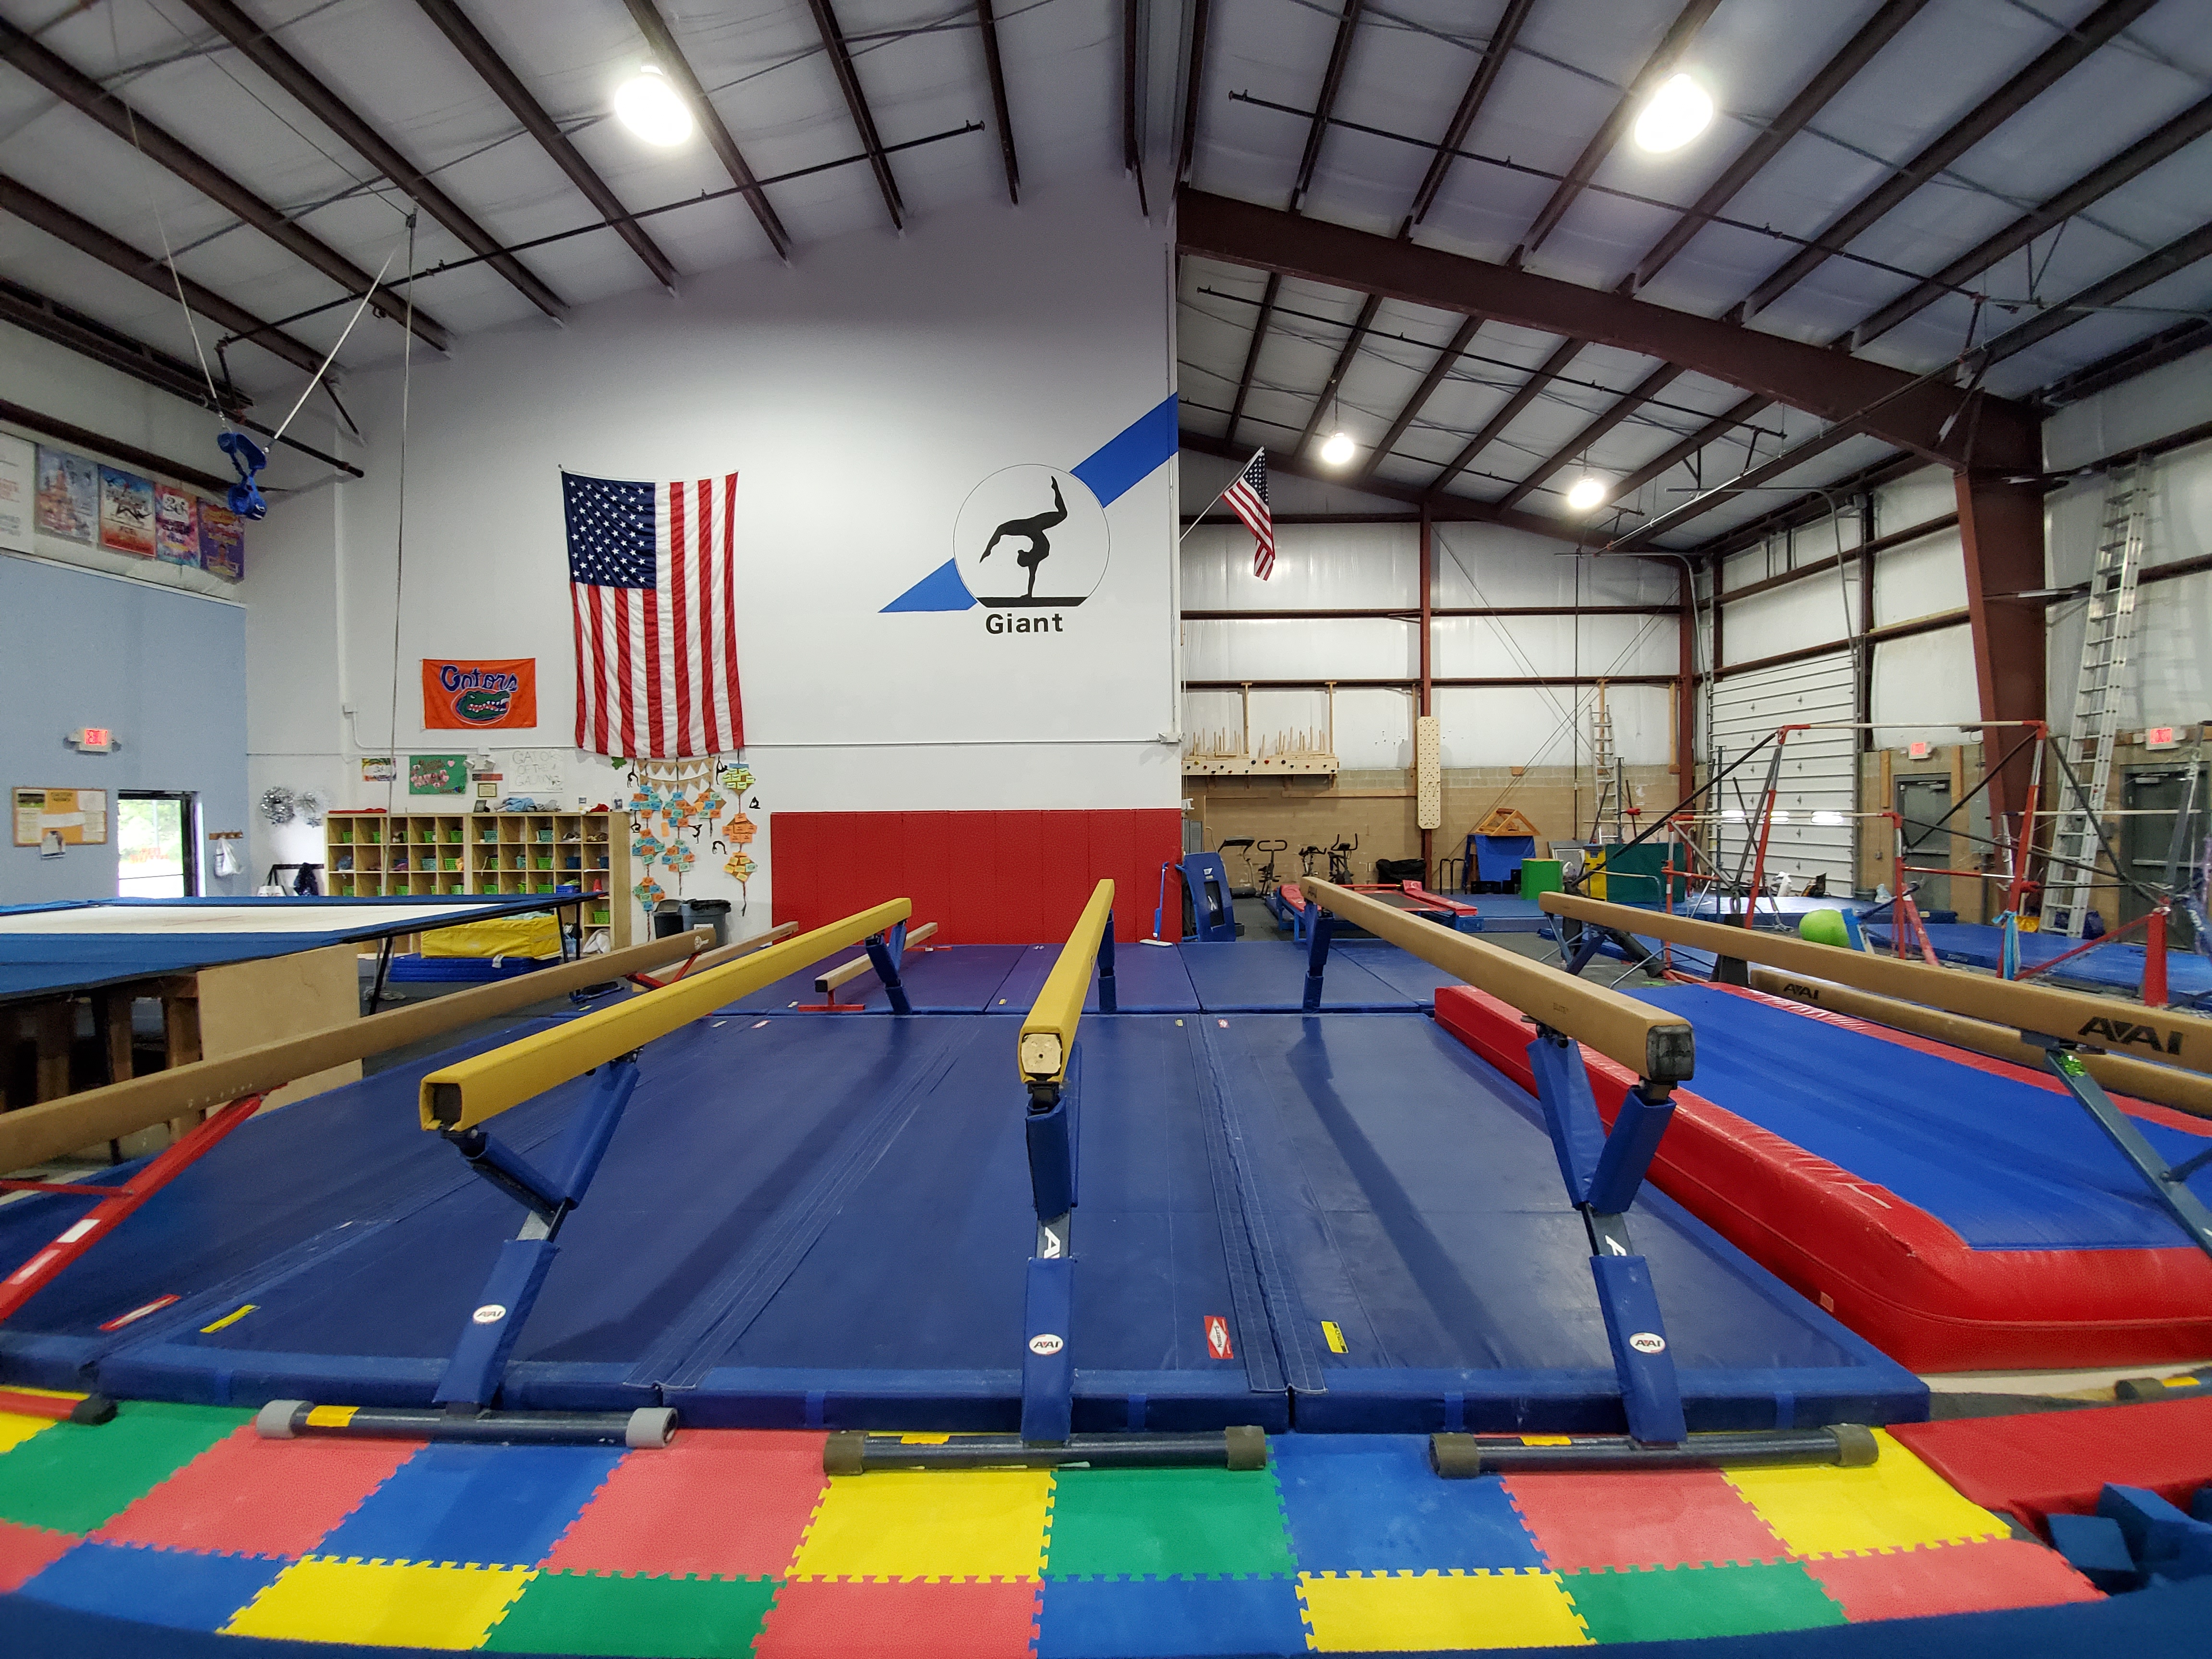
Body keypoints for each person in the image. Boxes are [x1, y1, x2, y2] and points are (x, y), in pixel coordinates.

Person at [979, 477, 1068, 600]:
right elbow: (1032, 576)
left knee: (1002, 529)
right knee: (1063, 514)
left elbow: (1032, 577)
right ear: (1028, 556)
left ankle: (1056, 489)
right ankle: (1055, 489)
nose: (1020, 552)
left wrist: (989, 549)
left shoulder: (1035, 558)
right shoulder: (1036, 557)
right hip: (1035, 525)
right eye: (1022, 555)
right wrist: (989, 549)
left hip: (1033, 527)